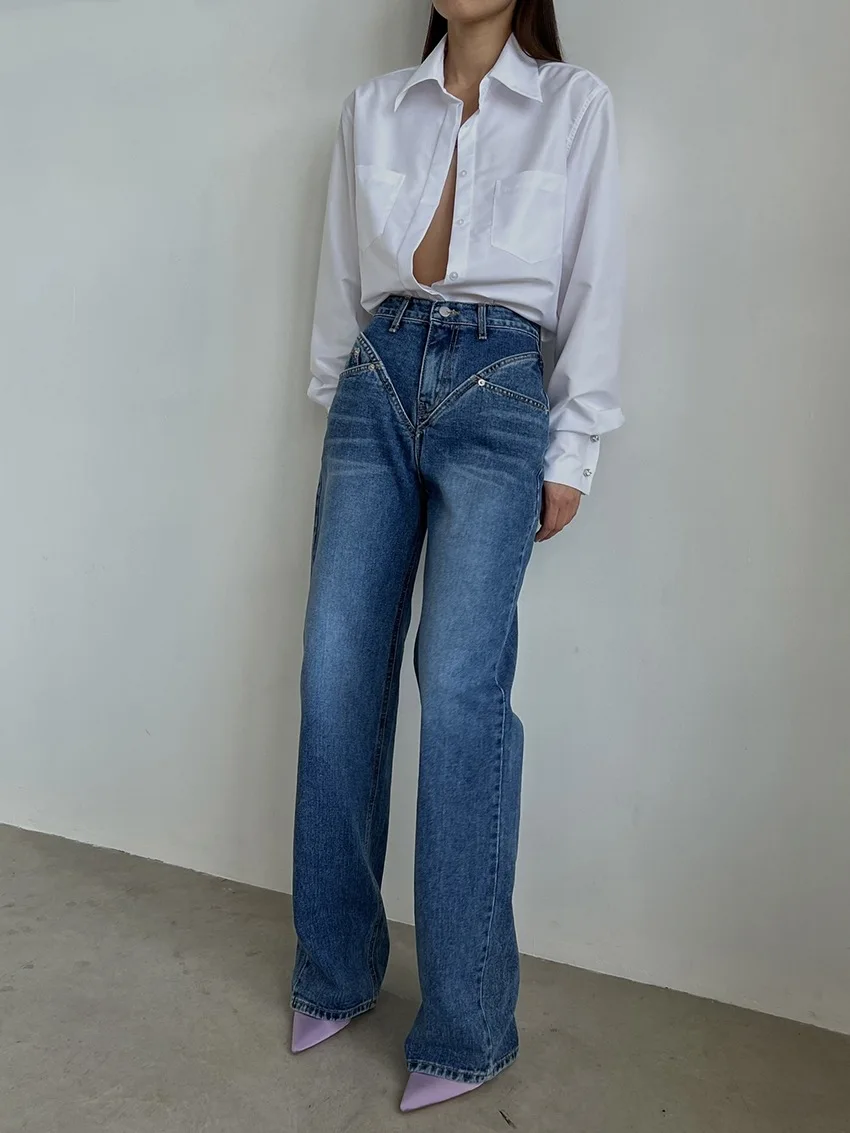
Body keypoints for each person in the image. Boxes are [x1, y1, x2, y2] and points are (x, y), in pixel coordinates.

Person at [289, 0, 625, 1113]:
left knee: (463, 689)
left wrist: (574, 449)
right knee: (336, 671)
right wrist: (337, 398)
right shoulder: (374, 108)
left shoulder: (574, 104)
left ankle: (468, 1023)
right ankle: (336, 967)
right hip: (375, 381)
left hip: (500, 386)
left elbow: (594, 283)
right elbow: (342, 280)